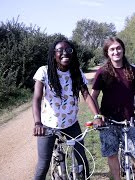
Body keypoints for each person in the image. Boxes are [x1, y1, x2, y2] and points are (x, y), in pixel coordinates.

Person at [32, 39, 103, 180]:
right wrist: (38, 123)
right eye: (60, 50)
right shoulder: (44, 71)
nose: (65, 53)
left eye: (69, 50)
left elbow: (86, 95)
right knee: (43, 165)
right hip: (48, 125)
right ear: (54, 54)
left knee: (82, 158)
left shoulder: (76, 72)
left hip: (71, 124)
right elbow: (37, 98)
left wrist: (97, 116)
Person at [91, 37, 135, 180]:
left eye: (118, 48)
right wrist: (98, 116)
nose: (116, 51)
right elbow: (93, 97)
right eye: (112, 49)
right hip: (107, 121)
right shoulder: (102, 72)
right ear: (107, 53)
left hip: (129, 120)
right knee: (112, 154)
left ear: (123, 49)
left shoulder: (133, 71)